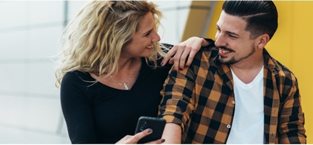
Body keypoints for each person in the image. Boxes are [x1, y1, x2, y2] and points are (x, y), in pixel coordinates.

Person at [55, 0, 209, 144]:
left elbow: (222, 56)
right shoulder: (76, 82)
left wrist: (200, 41)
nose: (156, 37)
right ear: (116, 38)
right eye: (147, 33)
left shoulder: (162, 59)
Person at [159, 0, 306, 144]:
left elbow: (292, 133)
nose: (218, 41)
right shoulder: (195, 63)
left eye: (231, 35)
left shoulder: (284, 80)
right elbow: (173, 114)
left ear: (261, 41)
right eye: (218, 30)